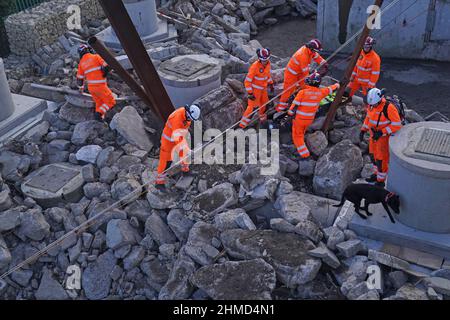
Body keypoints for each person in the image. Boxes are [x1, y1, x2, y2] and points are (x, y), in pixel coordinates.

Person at [287, 72, 339, 159]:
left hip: (299, 119)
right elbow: (330, 89)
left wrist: (289, 113)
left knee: (297, 135)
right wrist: (337, 85)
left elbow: (293, 108)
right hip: (309, 119)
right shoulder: (320, 92)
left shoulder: (302, 93)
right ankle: (303, 139)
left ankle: (305, 154)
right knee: (302, 131)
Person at [360, 88, 403, 187]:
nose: (372, 106)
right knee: (373, 157)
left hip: (382, 138)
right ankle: (376, 175)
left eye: (374, 104)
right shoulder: (371, 105)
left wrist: (382, 132)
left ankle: (381, 181)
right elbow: (368, 118)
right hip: (373, 136)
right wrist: (363, 129)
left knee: (381, 160)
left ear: (379, 100)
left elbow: (397, 124)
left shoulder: (389, 108)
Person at [155, 104, 201, 190]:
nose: (191, 120)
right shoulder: (177, 118)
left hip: (179, 139)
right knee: (166, 162)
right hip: (168, 142)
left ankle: (185, 171)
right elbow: (177, 137)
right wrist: (187, 149)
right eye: (191, 118)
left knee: (184, 155)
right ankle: (159, 183)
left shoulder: (187, 117)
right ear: (188, 113)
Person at [276, 39, 329, 113]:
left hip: (300, 72)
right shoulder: (302, 55)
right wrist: (313, 76)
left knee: (305, 87)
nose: (316, 52)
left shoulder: (310, 51)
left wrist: (324, 63)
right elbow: (305, 72)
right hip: (291, 74)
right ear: (311, 49)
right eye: (315, 50)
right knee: (288, 91)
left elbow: (316, 56)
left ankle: (303, 100)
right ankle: (281, 108)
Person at [76, 44, 115, 120]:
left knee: (99, 103)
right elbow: (107, 66)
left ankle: (99, 119)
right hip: (100, 86)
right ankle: (99, 113)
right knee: (110, 101)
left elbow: (79, 78)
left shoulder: (81, 64)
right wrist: (104, 73)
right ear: (88, 50)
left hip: (91, 88)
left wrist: (81, 88)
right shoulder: (95, 57)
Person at [240, 48, 274, 128]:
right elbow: (247, 81)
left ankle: (261, 119)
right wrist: (250, 93)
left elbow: (267, 75)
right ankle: (242, 125)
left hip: (263, 89)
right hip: (255, 91)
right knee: (252, 108)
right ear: (259, 59)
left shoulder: (268, 64)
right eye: (263, 60)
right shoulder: (254, 67)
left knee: (265, 104)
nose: (265, 62)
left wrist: (271, 83)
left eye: (266, 60)